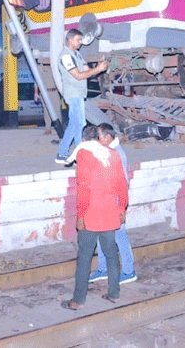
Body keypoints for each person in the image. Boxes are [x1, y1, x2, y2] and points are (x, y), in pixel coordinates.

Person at [61, 124, 129, 311]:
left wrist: (80, 215)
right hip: (110, 213)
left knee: (84, 257)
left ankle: (78, 300)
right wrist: (122, 209)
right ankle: (114, 293)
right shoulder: (113, 155)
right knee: (111, 253)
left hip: (91, 214)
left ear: (84, 139)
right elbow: (122, 185)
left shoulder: (84, 154)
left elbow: (84, 189)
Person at [89, 123, 137, 285]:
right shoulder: (106, 151)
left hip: (114, 201)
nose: (99, 140)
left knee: (119, 235)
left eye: (101, 136)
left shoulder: (117, 154)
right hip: (104, 200)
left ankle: (129, 271)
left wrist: (120, 207)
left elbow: (122, 182)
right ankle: (103, 268)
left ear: (109, 137)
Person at [55, 29, 108, 164]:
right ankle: (66, 153)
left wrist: (98, 68)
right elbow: (78, 75)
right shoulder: (66, 56)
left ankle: (75, 154)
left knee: (77, 124)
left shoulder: (77, 55)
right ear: (70, 39)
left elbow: (87, 71)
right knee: (77, 123)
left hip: (79, 94)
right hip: (73, 94)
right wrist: (98, 69)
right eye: (78, 40)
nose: (80, 43)